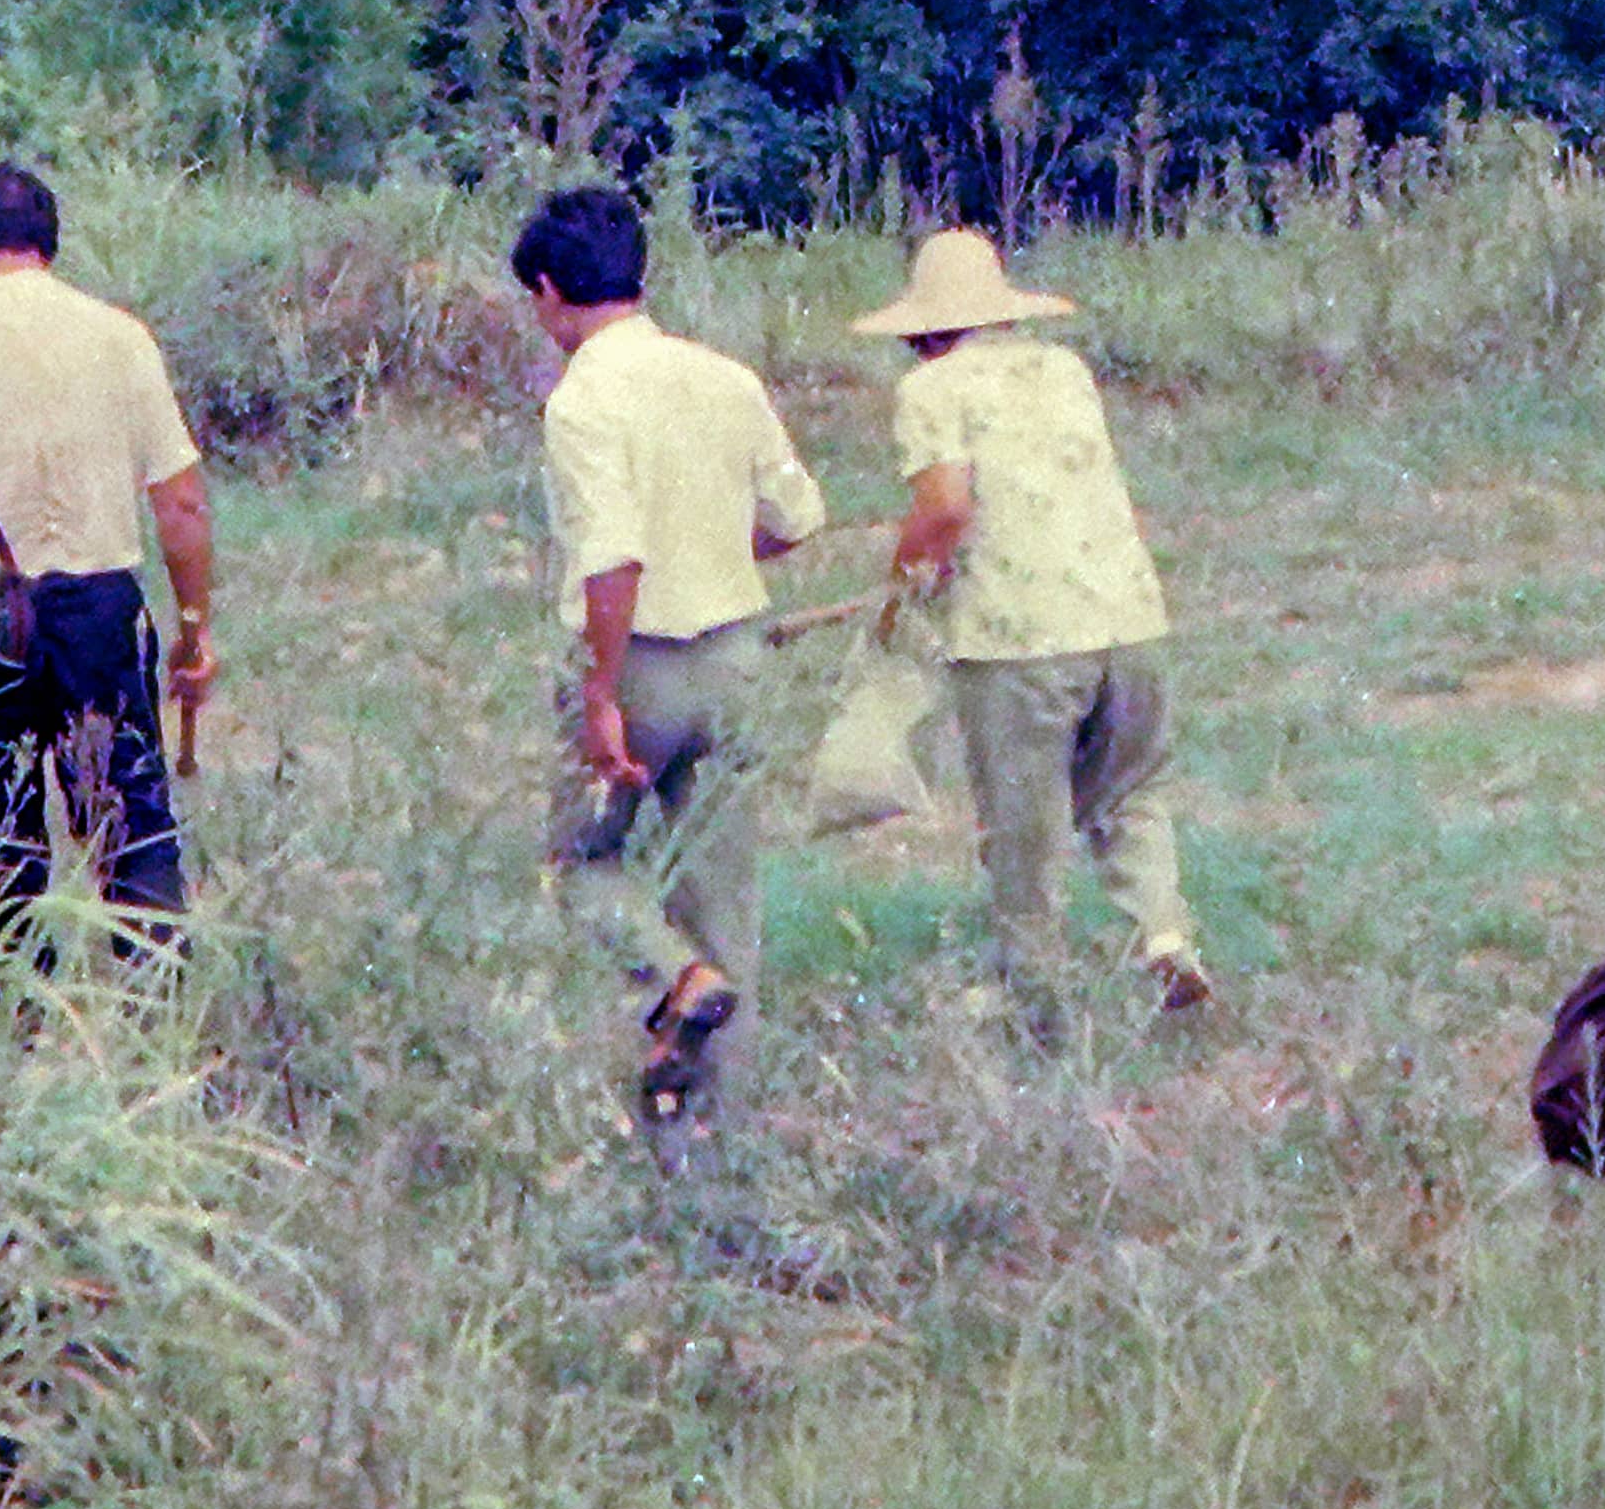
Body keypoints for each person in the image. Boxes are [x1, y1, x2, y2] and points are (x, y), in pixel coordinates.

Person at [519, 184, 826, 1125]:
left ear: (547, 291)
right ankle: (717, 1133)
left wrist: (602, 692)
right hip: (736, 657)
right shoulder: (723, 377)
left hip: (641, 663)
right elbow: (797, 518)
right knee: (727, 900)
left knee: (581, 862)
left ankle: (674, 978)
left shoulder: (582, 400)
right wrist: (719, 548)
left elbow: (612, 558)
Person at [0, 160, 209, 959]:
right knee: (132, 825)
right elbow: (181, 502)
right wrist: (194, 627)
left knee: (4, 829)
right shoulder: (121, 338)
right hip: (100, 611)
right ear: (47, 245)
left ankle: (21, 1021)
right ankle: (155, 1009)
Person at [860, 228, 1211, 1020]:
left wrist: (901, 585)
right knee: (1131, 792)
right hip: (1126, 617)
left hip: (1017, 638)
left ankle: (1038, 992)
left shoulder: (933, 389)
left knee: (1025, 823)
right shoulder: (1064, 370)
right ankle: (1162, 933)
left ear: (924, 329)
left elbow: (946, 507)